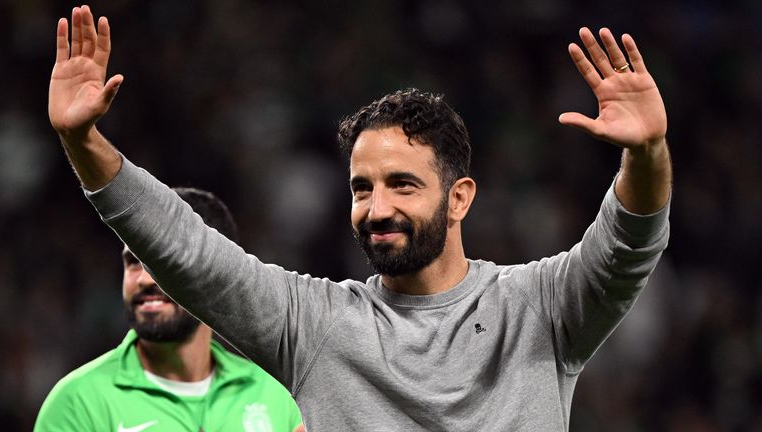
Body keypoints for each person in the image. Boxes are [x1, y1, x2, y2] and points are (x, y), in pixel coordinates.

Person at [48, 5, 671, 431]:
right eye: (361, 189)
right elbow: (186, 251)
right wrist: (84, 142)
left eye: (402, 185)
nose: (377, 210)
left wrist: (646, 153)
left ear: (460, 198)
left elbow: (627, 246)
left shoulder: (540, 308)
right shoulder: (315, 325)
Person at [34, 187, 304, 432]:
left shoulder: (277, 399)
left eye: (163, 262)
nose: (144, 279)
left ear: (221, 274)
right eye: (133, 262)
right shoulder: (78, 403)